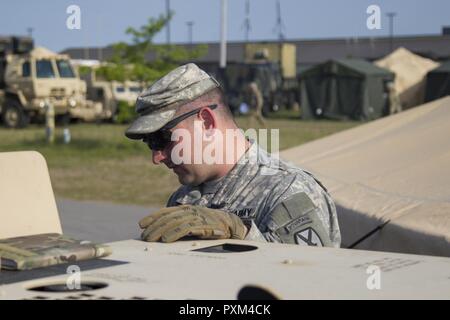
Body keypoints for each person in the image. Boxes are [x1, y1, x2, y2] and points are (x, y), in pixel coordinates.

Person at [125, 63, 341, 247]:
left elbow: (312, 279)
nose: (157, 157)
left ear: (207, 122)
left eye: (161, 139)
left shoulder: (287, 191)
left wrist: (244, 234)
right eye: (150, 142)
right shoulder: (184, 198)